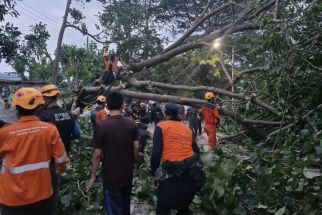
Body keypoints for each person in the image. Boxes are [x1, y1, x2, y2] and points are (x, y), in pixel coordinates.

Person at [0, 87, 69, 215]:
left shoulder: (5, 133)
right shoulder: (49, 130)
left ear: (16, 107)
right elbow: (62, 160)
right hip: (41, 195)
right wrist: (57, 172)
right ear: (39, 106)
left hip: (11, 198)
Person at [86, 92, 140, 215]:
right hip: (127, 173)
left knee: (114, 209)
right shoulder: (131, 123)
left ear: (108, 105)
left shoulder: (102, 126)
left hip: (111, 176)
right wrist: (134, 161)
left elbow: (97, 154)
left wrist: (93, 175)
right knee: (125, 204)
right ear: (122, 105)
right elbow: (136, 146)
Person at [151, 103, 205, 215]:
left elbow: (156, 154)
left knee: (162, 206)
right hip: (189, 176)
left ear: (166, 114)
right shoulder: (187, 130)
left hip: (170, 173)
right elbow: (197, 152)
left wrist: (154, 175)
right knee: (183, 206)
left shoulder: (161, 126)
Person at [40, 84, 81, 153]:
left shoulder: (43, 116)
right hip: (64, 154)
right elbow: (77, 134)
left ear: (45, 98)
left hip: (49, 155)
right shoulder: (69, 114)